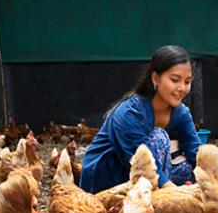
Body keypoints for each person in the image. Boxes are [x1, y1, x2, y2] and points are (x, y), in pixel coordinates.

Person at [79, 45, 202, 193]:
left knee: (192, 170)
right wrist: (174, 194)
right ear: (155, 78)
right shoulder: (130, 113)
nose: (182, 87)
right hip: (107, 178)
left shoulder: (181, 113)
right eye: (175, 80)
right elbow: (142, 162)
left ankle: (160, 196)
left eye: (187, 82)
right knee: (158, 138)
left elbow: (196, 151)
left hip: (147, 175)